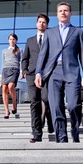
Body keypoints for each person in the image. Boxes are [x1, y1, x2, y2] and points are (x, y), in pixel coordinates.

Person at [35, 2, 83, 143]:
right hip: (53, 72)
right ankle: (61, 138)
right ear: (57, 14)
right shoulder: (49, 32)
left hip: (72, 72)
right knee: (56, 107)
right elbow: (42, 54)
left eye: (66, 10)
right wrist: (38, 73)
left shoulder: (78, 32)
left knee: (73, 105)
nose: (63, 13)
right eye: (60, 11)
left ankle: (74, 128)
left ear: (70, 13)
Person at [21, 14, 54, 143]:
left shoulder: (51, 39)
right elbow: (25, 58)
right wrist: (24, 70)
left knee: (46, 100)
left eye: (44, 22)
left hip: (47, 74)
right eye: (40, 22)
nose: (41, 24)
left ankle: (51, 122)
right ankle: (37, 133)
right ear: (36, 24)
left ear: (47, 25)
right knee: (34, 104)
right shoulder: (30, 40)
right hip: (31, 75)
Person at [0, 33, 21, 119]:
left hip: (14, 69)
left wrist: (22, 72)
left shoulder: (19, 50)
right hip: (5, 70)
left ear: (16, 41)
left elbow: (21, 61)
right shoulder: (4, 51)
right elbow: (2, 63)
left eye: (13, 39)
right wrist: (1, 75)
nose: (12, 41)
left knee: (11, 86)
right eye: (10, 39)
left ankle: (14, 104)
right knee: (4, 89)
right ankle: (6, 110)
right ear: (8, 40)